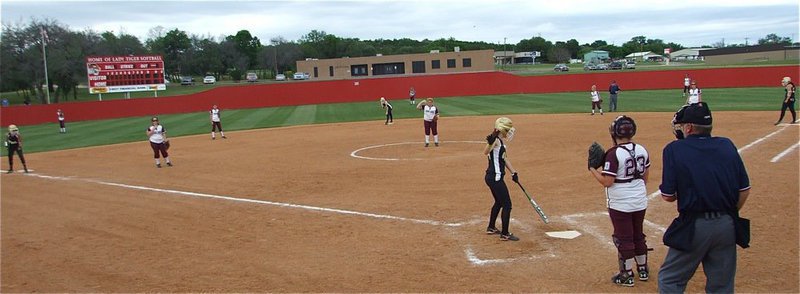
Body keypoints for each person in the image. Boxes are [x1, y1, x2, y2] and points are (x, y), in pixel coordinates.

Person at [658, 102, 751, 293]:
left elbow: (668, 196)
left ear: (689, 127)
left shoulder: (674, 149)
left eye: (683, 125)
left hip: (694, 226)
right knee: (722, 285)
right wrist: (727, 214)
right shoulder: (727, 145)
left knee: (670, 279)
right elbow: (744, 190)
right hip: (727, 224)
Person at [588, 115, 651, 287]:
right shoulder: (642, 150)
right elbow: (644, 178)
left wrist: (592, 169)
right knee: (638, 234)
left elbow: (607, 182)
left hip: (620, 202)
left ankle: (627, 274)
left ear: (614, 132)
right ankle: (643, 269)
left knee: (623, 238)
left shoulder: (614, 153)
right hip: (639, 200)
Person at [484, 117, 520, 241]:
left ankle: (491, 227)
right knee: (507, 205)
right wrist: (490, 142)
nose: (510, 132)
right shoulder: (496, 141)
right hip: (495, 177)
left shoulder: (500, 142)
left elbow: (504, 159)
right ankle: (505, 233)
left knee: (499, 202)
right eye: (508, 130)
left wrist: (513, 172)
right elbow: (485, 151)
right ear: (502, 129)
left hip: (492, 176)